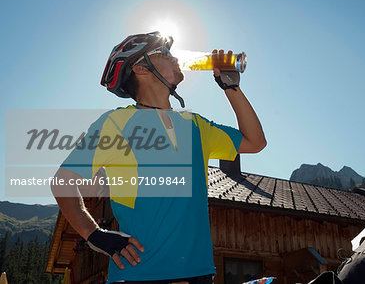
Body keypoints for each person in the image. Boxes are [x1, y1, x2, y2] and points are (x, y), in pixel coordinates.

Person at [51, 31, 266, 284]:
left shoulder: (196, 124)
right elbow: (63, 181)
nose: (175, 58)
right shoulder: (115, 123)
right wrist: (95, 234)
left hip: (198, 273)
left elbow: (255, 142)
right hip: (138, 274)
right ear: (141, 68)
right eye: (164, 53)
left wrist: (231, 87)